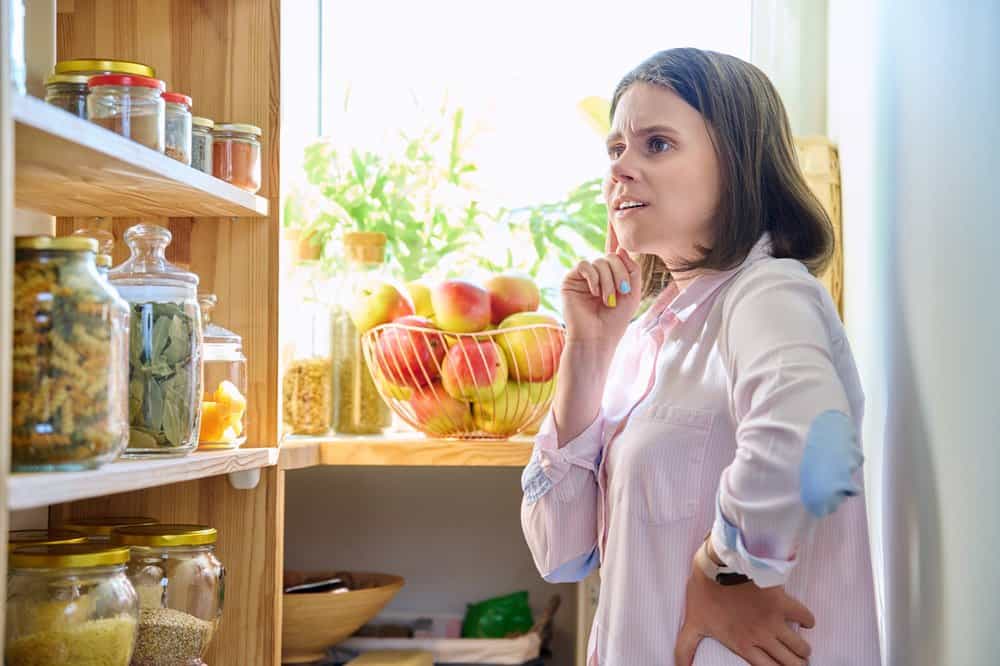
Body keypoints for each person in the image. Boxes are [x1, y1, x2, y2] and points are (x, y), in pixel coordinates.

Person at [520, 48, 880, 665]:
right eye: (615, 150)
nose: (621, 170)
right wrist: (589, 349)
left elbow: (807, 437)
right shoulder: (644, 341)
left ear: (738, 163)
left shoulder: (768, 293)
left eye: (656, 144)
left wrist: (726, 573)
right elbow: (561, 552)